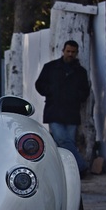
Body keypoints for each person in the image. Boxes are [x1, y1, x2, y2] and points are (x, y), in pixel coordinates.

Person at [35, 40, 90, 176]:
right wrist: (51, 91)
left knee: (67, 142)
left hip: (71, 112)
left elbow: (85, 91)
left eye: (73, 52)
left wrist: (75, 96)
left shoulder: (80, 72)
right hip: (54, 110)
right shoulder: (50, 67)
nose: (70, 54)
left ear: (76, 53)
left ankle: (69, 172)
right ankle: (81, 166)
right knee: (61, 139)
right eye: (68, 51)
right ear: (63, 51)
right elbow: (39, 84)